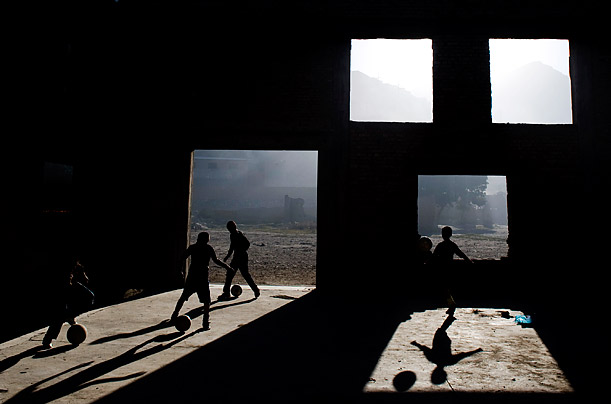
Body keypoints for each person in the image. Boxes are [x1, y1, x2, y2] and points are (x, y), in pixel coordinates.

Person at [171, 231, 234, 329]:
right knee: (206, 301)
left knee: (183, 297)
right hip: (202, 277)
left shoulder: (193, 248)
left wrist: (180, 271)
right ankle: (205, 322)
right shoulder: (208, 248)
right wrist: (227, 267)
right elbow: (216, 260)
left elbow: (182, 258)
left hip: (192, 276)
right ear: (206, 239)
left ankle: (174, 315)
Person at [42, 258, 95, 349]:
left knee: (89, 296)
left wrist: (83, 275)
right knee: (60, 314)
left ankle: (70, 315)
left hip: (70, 282)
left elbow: (76, 263)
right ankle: (48, 339)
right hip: (60, 283)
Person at [218, 221, 260, 300]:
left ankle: (226, 292)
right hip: (241, 256)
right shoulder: (237, 234)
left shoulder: (235, 235)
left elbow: (234, 247)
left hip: (239, 256)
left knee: (230, 274)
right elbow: (237, 246)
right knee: (244, 274)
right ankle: (256, 290)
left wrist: (235, 253)